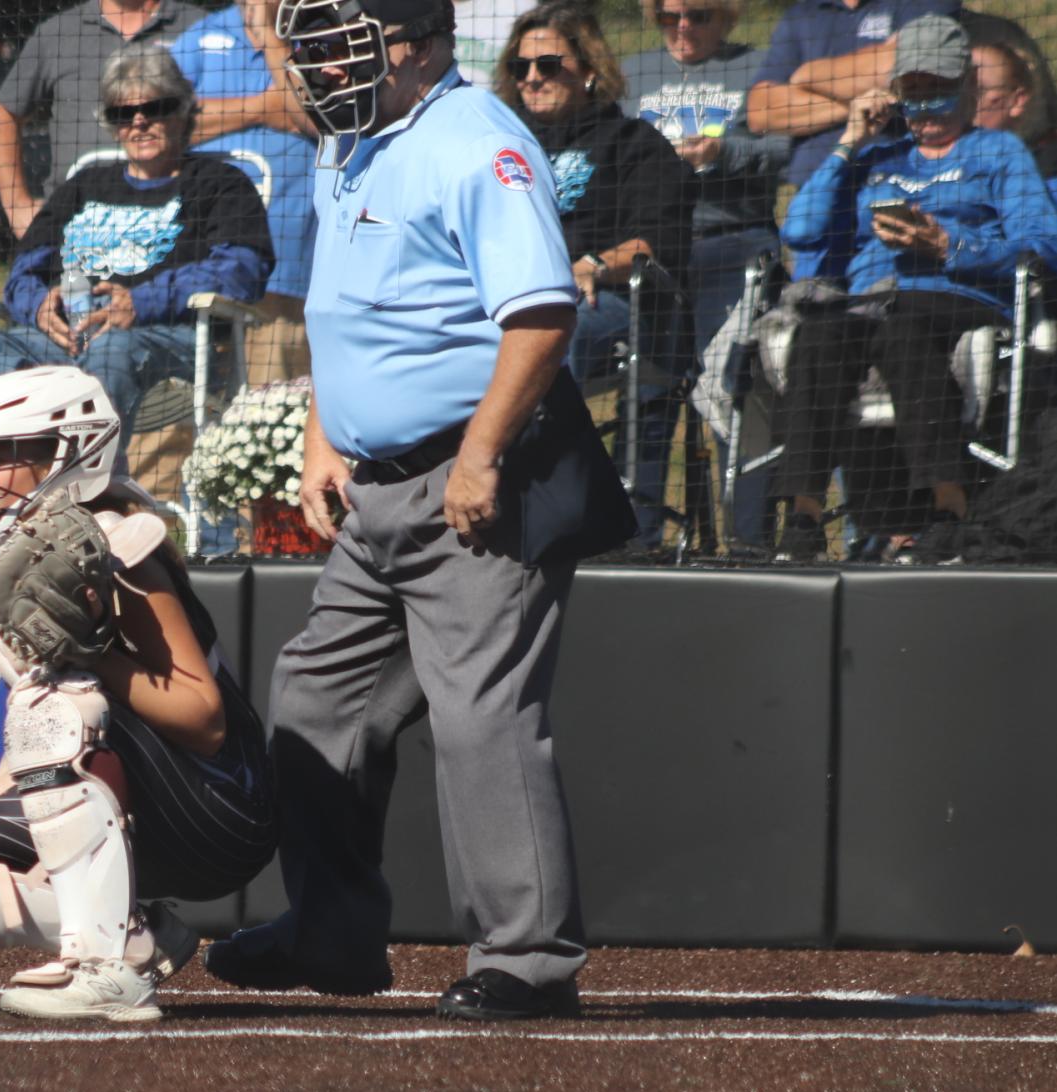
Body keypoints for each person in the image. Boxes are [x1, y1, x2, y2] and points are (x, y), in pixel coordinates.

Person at [203, 0, 634, 1021]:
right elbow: (343, 304)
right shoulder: (356, 140)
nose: (315, 64)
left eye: (340, 42)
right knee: (318, 695)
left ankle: (527, 961)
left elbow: (539, 314)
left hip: (481, 478)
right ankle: (334, 932)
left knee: (483, 711)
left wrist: (481, 455)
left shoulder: (478, 141)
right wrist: (323, 429)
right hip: (382, 484)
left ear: (417, 45)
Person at [0, 365, 278, 1022]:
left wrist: (92, 654)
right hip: (121, 798)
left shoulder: (118, 544)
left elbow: (204, 718)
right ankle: (136, 934)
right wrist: (10, 811)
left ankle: (103, 969)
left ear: (67, 453)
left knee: (54, 712)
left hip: (219, 809)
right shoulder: (16, 553)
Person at [770, 15, 1057, 563]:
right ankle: (803, 519)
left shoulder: (999, 153)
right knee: (818, 341)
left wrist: (949, 244)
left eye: (938, 97)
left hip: (958, 298)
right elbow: (799, 230)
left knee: (904, 332)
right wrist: (849, 143)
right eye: (912, 97)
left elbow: (1042, 243)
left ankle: (948, 510)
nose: (924, 113)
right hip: (872, 300)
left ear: (969, 89)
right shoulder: (878, 155)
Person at [0, 48, 273, 470]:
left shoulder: (221, 184)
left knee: (111, 350)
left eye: (153, 108)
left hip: (167, 339)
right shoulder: (85, 185)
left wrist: (141, 302)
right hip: (65, 340)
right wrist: (37, 305)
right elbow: (24, 269)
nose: (138, 122)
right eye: (124, 113)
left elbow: (241, 271)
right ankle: (15, 480)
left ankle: (94, 496)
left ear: (181, 111)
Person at [494, 5, 693, 547]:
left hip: (605, 303)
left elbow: (660, 242)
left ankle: (550, 506)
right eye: (520, 66)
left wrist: (593, 264)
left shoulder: (634, 143)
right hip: (502, 305)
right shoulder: (500, 148)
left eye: (548, 64)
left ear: (587, 69)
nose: (532, 77)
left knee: (553, 332)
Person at [622, 0, 790, 543]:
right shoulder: (633, 74)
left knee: (738, 389)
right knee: (647, 391)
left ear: (728, 16)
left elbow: (785, 147)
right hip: (659, 254)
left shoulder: (760, 67)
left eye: (699, 15)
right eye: (669, 17)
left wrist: (720, 154)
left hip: (736, 243)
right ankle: (640, 539)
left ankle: (750, 543)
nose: (683, 28)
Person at [172, 0, 318, 385]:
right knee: (179, 403)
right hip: (199, 258)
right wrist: (261, 108)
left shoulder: (320, 31)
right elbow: (163, 123)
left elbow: (315, 117)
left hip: (286, 265)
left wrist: (271, 36)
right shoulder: (199, 37)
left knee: (275, 406)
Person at [0, 0, 202, 242]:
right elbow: (2, 115)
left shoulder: (199, 27)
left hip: (177, 213)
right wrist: (17, 204)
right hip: (75, 219)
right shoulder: (58, 32)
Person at [745, 0, 955, 188]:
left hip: (903, 180)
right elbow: (761, 111)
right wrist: (863, 102)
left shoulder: (922, 3)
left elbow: (902, 69)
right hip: (818, 189)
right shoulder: (802, 12)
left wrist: (806, 74)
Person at [971, 37, 1057, 186]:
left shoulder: (1043, 179)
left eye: (977, 92)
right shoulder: (924, 159)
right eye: (955, 91)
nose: (961, 103)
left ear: (1017, 100)